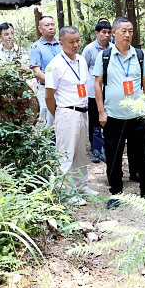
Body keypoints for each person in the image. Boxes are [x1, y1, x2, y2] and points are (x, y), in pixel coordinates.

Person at [93, 16, 145, 209]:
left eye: (130, 31)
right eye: (124, 31)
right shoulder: (104, 56)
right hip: (113, 116)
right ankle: (116, 193)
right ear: (114, 33)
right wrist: (101, 111)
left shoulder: (139, 55)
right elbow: (97, 84)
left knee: (143, 155)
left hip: (138, 115)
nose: (128, 34)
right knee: (114, 156)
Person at [45, 26, 98, 200]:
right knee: (66, 154)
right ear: (61, 43)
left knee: (81, 153)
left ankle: (81, 186)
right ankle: (67, 191)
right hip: (66, 113)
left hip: (83, 112)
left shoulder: (82, 61)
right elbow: (49, 97)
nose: (76, 45)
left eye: (78, 41)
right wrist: (59, 114)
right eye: (71, 42)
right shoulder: (55, 65)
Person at [82, 18, 113, 163]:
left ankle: (106, 148)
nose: (106, 36)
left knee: (108, 120)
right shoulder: (89, 49)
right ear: (96, 33)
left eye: (108, 33)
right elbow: (83, 68)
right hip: (92, 91)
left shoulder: (113, 48)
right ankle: (95, 150)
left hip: (109, 91)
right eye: (103, 32)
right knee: (94, 121)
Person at [29, 15, 61, 130]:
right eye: (47, 25)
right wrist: (54, 82)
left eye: (52, 24)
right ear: (40, 28)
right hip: (45, 88)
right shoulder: (36, 47)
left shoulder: (62, 44)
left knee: (62, 119)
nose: (50, 27)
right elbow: (37, 72)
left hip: (63, 89)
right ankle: (45, 144)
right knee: (46, 120)